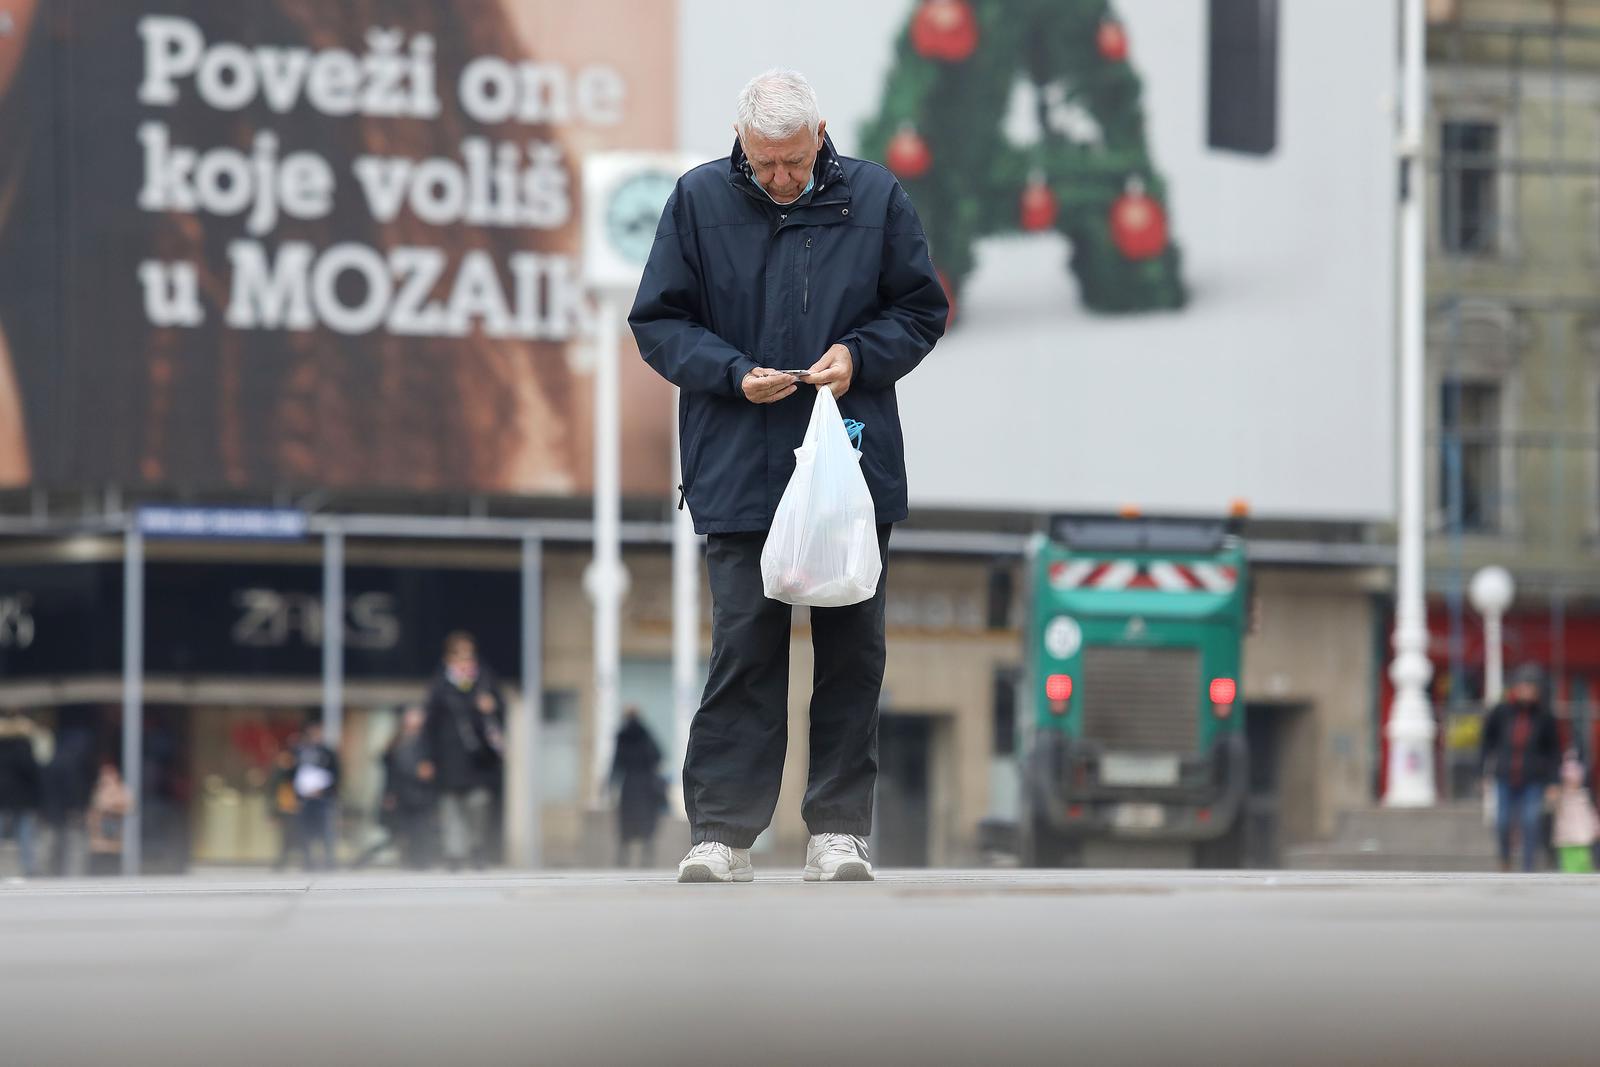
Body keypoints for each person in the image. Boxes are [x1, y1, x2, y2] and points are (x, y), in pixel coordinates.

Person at [630, 69, 947, 883]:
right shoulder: (697, 201)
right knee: (744, 647)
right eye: (765, 163)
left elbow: (920, 309)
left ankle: (838, 831)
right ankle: (722, 834)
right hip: (736, 464)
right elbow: (658, 322)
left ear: (822, 136)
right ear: (741, 143)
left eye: (794, 162)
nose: (780, 178)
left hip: (847, 461)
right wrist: (732, 373)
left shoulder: (876, 198)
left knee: (852, 649)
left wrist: (859, 357)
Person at [422, 632, 505, 871]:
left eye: (468, 654)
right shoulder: (440, 686)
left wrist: (492, 707)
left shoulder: (485, 682)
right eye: (458, 655)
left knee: (478, 804)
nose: (464, 660)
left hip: (478, 759)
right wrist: (428, 758)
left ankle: (476, 847)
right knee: (451, 807)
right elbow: (430, 726)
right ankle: (454, 854)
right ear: (449, 658)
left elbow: (500, 716)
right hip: (449, 758)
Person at [1480, 665, 1562, 872]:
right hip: (1505, 775)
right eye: (1524, 686)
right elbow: (1487, 742)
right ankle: (1505, 859)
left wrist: (1554, 782)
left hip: (1533, 778)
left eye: (1532, 687)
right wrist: (1482, 770)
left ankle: (1528, 867)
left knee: (1530, 821)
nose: (1527, 691)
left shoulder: (1545, 717)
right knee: (1502, 822)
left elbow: (1554, 751)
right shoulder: (1501, 711)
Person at [357, 707, 435, 870]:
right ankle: (407, 859)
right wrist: (389, 794)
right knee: (399, 831)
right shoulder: (397, 742)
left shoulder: (427, 742)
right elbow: (390, 770)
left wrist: (428, 771)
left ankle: (421, 861)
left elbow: (429, 769)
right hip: (401, 794)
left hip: (420, 793)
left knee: (420, 829)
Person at [610, 708, 665, 868]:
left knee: (626, 823)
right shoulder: (646, 733)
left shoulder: (622, 736)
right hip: (646, 785)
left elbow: (616, 763)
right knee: (646, 822)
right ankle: (647, 860)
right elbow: (658, 756)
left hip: (629, 785)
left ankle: (623, 859)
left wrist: (610, 784)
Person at [292, 720, 340, 872]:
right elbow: (294, 774)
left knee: (326, 832)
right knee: (306, 833)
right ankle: (308, 862)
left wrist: (325, 791)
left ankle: (329, 862)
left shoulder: (328, 753)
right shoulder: (301, 752)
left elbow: (336, 775)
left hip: (323, 799)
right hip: (305, 800)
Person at [0, 708, 40, 876]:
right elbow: (30, 769)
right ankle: (28, 867)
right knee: (24, 832)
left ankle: (27, 866)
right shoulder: (24, 745)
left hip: (2, 793)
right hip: (22, 795)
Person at [1551, 749, 1599, 874]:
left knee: (1583, 863)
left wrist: (1596, 827)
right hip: (1566, 837)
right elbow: (1551, 805)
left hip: (1582, 836)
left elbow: (1591, 813)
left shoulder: (1584, 795)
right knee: (1568, 864)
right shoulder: (1561, 796)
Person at [86, 763, 130, 877]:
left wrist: (110, 806)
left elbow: (128, 806)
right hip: (99, 846)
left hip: (115, 847)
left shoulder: (122, 790)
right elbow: (92, 813)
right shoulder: (96, 791)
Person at [268, 740, 303, 871]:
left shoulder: (297, 773)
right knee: (286, 838)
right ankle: (282, 861)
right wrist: (272, 814)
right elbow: (272, 796)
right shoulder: (277, 775)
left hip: (296, 810)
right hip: (283, 810)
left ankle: (286, 861)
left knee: (294, 837)